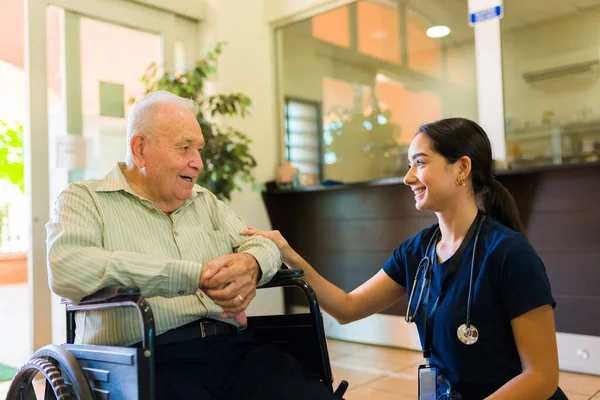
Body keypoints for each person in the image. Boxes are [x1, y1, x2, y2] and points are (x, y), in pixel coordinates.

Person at [242, 117, 567, 400]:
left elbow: (541, 378)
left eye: (420, 163)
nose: (408, 177)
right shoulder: (417, 252)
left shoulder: (509, 253)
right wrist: (286, 251)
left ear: (462, 169)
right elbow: (346, 308)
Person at [46, 91, 341, 400]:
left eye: (198, 149)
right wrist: (192, 276)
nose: (198, 163)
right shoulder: (84, 199)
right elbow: (67, 268)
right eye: (184, 148)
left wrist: (251, 265)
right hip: (147, 362)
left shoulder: (206, 202)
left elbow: (260, 241)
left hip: (235, 351)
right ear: (140, 148)